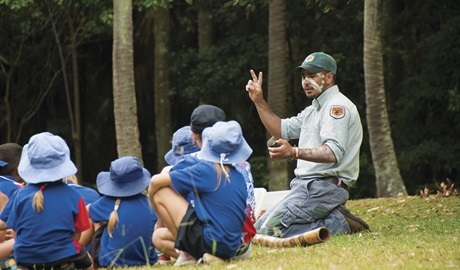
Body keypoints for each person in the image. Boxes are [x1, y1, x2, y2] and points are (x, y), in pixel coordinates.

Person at [245, 52, 370, 237]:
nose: (305, 81)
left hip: (324, 188)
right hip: (304, 187)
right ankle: (334, 216)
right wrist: (259, 101)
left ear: (329, 77)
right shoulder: (313, 109)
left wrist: (294, 152)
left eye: (312, 76)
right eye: (303, 77)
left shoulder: (337, 107)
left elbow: (332, 153)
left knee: (270, 231)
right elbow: (281, 129)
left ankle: (339, 222)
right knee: (259, 228)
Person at [149, 120, 252, 266]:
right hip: (231, 246)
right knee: (158, 236)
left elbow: (155, 181)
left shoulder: (207, 170)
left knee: (161, 192)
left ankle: (188, 253)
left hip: (210, 241)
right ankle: (209, 256)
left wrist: (152, 203)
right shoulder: (238, 176)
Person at [0, 132, 93, 269]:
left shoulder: (19, 195)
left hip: (26, 260)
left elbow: (12, 230)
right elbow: (77, 235)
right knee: (88, 263)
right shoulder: (75, 196)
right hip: (64, 259)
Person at [88, 156, 157, 268]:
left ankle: (82, 257)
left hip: (110, 261)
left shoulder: (108, 202)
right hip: (147, 259)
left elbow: (85, 212)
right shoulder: (149, 202)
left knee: (96, 219)